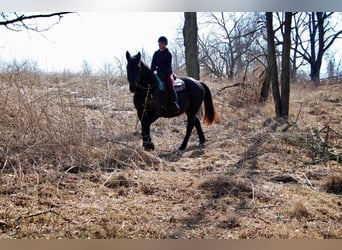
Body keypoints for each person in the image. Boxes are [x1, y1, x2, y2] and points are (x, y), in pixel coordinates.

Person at [151, 36, 180, 112]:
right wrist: (152, 71)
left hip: (167, 73)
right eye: (159, 43)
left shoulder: (168, 54)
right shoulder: (156, 53)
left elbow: (168, 66)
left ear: (165, 44)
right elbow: (153, 65)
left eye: (161, 43)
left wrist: (162, 73)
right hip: (157, 73)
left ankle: (175, 103)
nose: (159, 44)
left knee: (169, 85)